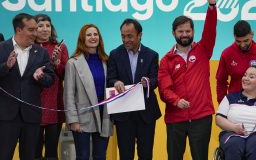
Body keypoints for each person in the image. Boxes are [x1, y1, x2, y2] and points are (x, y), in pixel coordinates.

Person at [158, 0, 217, 160]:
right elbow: (164, 90)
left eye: (188, 31)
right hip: (175, 119)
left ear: (193, 32)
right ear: (173, 33)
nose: (184, 34)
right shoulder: (166, 60)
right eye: (180, 31)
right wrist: (176, 101)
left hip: (201, 117)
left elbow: (210, 30)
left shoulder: (204, 50)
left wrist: (211, 6)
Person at [0, 13, 55, 159]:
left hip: (31, 116)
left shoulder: (41, 52)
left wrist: (41, 76)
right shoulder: (2, 48)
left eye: (35, 29)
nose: (35, 33)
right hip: (5, 116)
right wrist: (6, 67)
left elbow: (51, 79)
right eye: (31, 30)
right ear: (18, 30)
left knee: (30, 156)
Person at [107, 18, 161, 160]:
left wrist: (148, 82)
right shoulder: (114, 54)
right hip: (123, 115)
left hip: (146, 114)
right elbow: (109, 79)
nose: (126, 40)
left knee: (146, 155)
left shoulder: (152, 55)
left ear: (139, 35)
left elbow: (156, 80)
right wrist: (116, 82)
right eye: (123, 36)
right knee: (125, 155)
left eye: (129, 36)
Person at [63, 24, 113, 160]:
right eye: (89, 35)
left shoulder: (107, 60)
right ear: (82, 39)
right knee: (83, 156)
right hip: (82, 117)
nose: (93, 37)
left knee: (100, 156)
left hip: (104, 115)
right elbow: (68, 95)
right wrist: (73, 120)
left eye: (95, 34)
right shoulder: (72, 63)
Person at [34, 14, 69, 160]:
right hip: (33, 105)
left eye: (47, 26)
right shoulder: (29, 47)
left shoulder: (60, 47)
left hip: (54, 103)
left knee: (52, 152)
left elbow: (66, 75)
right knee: (34, 152)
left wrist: (56, 63)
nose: (45, 29)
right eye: (40, 26)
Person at [216, 20, 256, 104]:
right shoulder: (226, 54)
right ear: (234, 36)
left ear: (252, 34)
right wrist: (222, 104)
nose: (242, 45)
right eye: (238, 41)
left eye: (246, 41)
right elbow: (221, 81)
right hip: (234, 103)